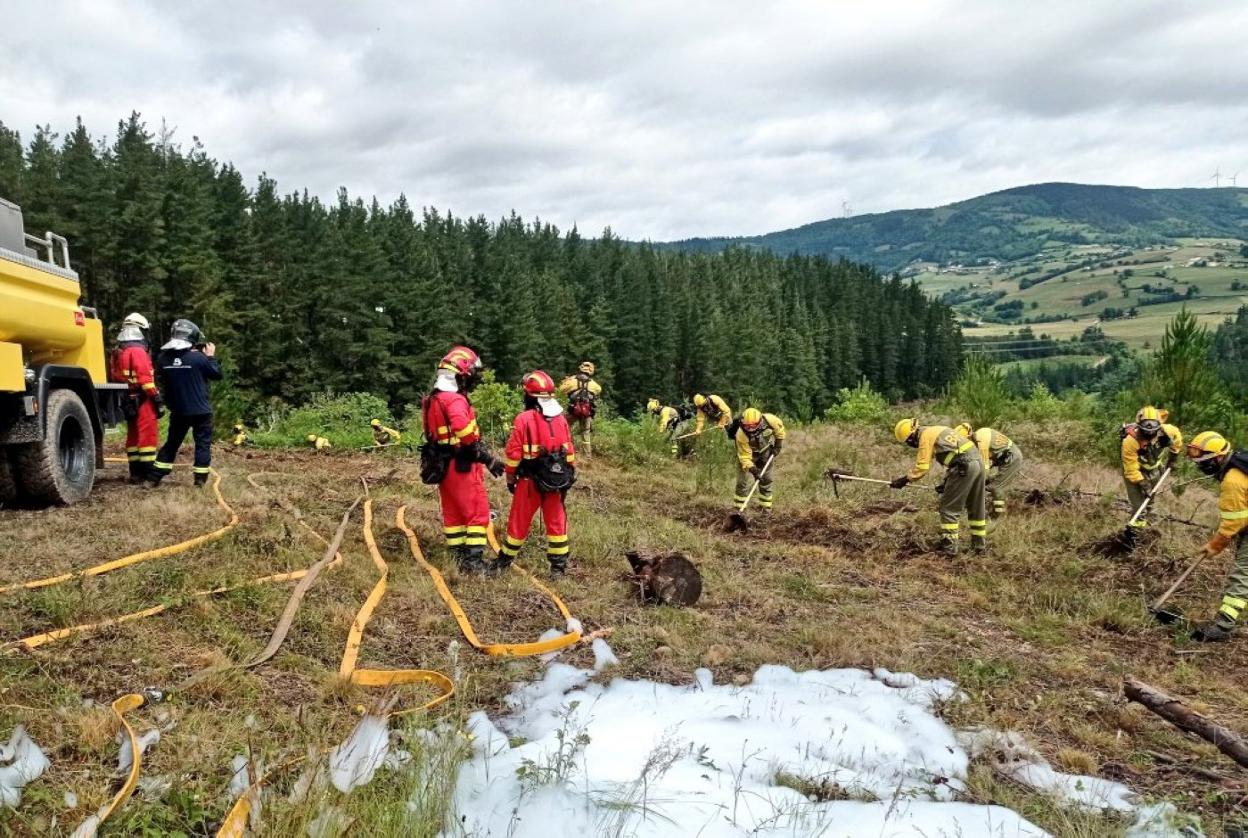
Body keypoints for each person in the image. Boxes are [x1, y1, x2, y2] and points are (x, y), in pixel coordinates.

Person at [421, 346, 504, 574]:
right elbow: (466, 435)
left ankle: (457, 557)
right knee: (477, 511)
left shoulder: (433, 399)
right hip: (462, 464)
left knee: (454, 512)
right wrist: (488, 458)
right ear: (460, 376)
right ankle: (474, 562)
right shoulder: (454, 401)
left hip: (442, 463)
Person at [499, 371, 577, 577]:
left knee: (519, 521)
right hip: (556, 481)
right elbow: (569, 453)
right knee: (557, 522)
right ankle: (558, 569)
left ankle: (504, 562)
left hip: (529, 480)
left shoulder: (524, 419)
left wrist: (510, 477)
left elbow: (514, 453)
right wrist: (567, 477)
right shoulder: (561, 420)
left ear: (529, 396)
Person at [1184, 432, 1248, 642]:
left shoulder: (1233, 480)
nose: (1201, 467)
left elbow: (1233, 523)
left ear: (1219, 457)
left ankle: (1223, 626)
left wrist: (1215, 545)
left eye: (1204, 463)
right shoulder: (1241, 461)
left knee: (1242, 573)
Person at [891, 418, 986, 555]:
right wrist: (947, 482)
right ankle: (979, 547)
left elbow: (923, 467)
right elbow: (956, 455)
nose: (910, 444)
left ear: (912, 435)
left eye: (908, 441)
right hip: (978, 464)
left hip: (964, 468)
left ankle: (949, 549)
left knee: (948, 509)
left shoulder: (925, 435)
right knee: (976, 507)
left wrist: (905, 480)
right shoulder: (937, 430)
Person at [148, 319, 222, 488]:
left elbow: (161, 380)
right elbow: (217, 374)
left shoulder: (163, 358)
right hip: (201, 412)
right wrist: (210, 356)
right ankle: (200, 481)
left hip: (179, 411)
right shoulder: (199, 358)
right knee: (202, 445)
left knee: (172, 443)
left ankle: (154, 478)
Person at [108, 312, 163, 483]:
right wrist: (157, 398)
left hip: (127, 398)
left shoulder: (118, 352)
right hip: (143, 398)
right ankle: (148, 473)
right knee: (147, 435)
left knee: (132, 435)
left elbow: (115, 376)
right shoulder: (138, 351)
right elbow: (145, 379)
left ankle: (135, 473)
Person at [1120, 406, 1183, 549]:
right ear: (1139, 425)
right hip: (1135, 473)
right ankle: (1132, 538)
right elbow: (1130, 468)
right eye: (1146, 431)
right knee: (1139, 507)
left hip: (1155, 470)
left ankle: (1146, 532)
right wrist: (1142, 482)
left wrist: (1173, 457)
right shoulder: (1130, 440)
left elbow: (1177, 439)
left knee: (1149, 504)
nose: (1150, 434)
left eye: (1153, 431)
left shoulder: (1168, 431)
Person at [955, 423, 1024, 519]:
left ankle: (999, 516)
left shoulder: (981, 440)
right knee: (988, 483)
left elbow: (984, 469)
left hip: (1012, 458)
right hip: (1003, 458)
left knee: (996, 487)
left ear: (969, 436)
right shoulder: (978, 436)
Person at [734, 408, 784, 512]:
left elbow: (779, 431)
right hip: (749, 456)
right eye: (747, 425)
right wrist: (753, 470)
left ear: (760, 421)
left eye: (752, 425)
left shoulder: (771, 420)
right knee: (742, 482)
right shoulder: (741, 434)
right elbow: (744, 457)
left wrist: (778, 445)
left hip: (766, 453)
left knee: (767, 479)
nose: (750, 428)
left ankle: (766, 508)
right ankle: (739, 508)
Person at [558, 362, 602, 455]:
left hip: (573, 410)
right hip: (587, 412)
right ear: (591, 371)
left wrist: (567, 381)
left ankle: (566, 450)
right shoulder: (593, 384)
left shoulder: (572, 381)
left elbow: (561, 389)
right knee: (586, 433)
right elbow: (598, 390)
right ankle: (587, 456)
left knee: (564, 427)